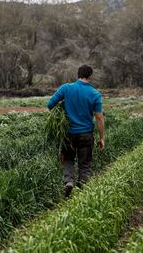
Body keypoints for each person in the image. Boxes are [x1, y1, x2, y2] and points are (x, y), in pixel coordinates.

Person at [47, 64, 105, 197]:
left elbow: (50, 105)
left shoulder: (66, 88)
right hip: (86, 134)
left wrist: (63, 106)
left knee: (68, 159)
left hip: (68, 133)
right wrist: (102, 138)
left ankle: (69, 182)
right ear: (90, 76)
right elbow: (99, 118)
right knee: (85, 164)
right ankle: (83, 191)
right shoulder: (95, 94)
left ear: (78, 75)